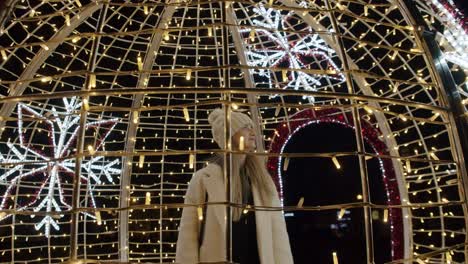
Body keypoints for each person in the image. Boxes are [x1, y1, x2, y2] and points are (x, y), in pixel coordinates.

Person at [175, 108, 294, 264]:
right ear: (229, 135)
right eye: (245, 127)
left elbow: (278, 236)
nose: (252, 132)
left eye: (252, 127)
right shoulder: (203, 179)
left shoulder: (262, 180)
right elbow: (188, 236)